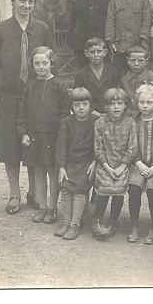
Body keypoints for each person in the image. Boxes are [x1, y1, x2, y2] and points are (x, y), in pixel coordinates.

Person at [0, 0, 52, 215]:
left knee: (35, 142)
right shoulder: (1, 30)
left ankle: (34, 191)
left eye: (30, 2)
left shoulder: (42, 28)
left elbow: (49, 60)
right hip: (9, 96)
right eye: (22, 1)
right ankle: (15, 194)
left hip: (36, 95)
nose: (26, 5)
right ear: (13, 2)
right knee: (10, 145)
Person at [17, 47, 71, 224]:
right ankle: (42, 206)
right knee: (38, 170)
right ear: (32, 65)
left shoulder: (59, 85)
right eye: (37, 63)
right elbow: (22, 111)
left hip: (53, 136)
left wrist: (62, 136)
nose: (41, 67)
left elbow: (65, 113)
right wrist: (23, 132)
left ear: (51, 63)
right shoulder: (30, 86)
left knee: (52, 172)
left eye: (45, 63)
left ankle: (53, 208)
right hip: (34, 136)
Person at [92, 88, 137, 240]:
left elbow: (132, 149)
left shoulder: (130, 123)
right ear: (105, 106)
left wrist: (122, 166)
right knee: (104, 186)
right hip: (105, 164)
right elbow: (98, 149)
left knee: (118, 187)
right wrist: (107, 166)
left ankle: (112, 221)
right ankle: (97, 220)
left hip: (123, 165)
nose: (116, 107)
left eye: (120, 103)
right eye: (112, 104)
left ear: (125, 106)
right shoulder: (99, 123)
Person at [54, 87, 98, 240]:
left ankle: (75, 224)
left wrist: (94, 161)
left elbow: (98, 144)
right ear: (71, 107)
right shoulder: (66, 122)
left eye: (85, 104)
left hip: (86, 164)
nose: (81, 108)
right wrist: (61, 167)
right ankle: (66, 222)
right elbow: (61, 146)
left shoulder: (95, 121)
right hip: (70, 164)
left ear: (89, 105)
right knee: (65, 188)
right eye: (77, 105)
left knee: (79, 190)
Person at [127, 84, 153, 244]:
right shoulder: (134, 121)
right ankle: (134, 224)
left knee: (152, 191)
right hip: (138, 164)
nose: (145, 106)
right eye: (141, 102)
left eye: (149, 102)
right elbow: (130, 145)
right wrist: (138, 163)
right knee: (134, 189)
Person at [105, 0, 151, 74]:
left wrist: (143, 43)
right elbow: (110, 22)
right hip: (119, 47)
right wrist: (110, 42)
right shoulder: (114, 0)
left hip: (137, 48)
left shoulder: (144, 0)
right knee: (119, 75)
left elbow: (146, 22)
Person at [69, 0, 110, 68]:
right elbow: (71, 25)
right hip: (82, 47)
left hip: (103, 45)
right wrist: (74, 45)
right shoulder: (75, 1)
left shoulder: (108, 0)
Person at [74, 37, 121, 117]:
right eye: (92, 52)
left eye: (99, 51)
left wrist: (110, 110)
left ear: (105, 52)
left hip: (111, 113)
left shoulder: (114, 72)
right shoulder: (81, 74)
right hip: (90, 114)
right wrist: (92, 112)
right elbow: (79, 97)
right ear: (86, 53)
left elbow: (119, 95)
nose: (96, 55)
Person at [120, 45, 153, 117]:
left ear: (146, 61)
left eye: (140, 61)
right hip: (128, 115)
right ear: (128, 60)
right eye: (133, 60)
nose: (136, 64)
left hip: (148, 114)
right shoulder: (124, 78)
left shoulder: (152, 77)